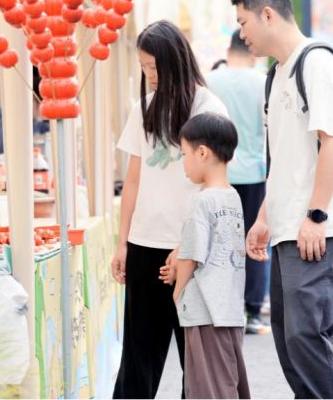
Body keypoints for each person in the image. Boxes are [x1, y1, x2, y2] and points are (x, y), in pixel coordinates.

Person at [233, 0, 333, 398]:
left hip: (318, 229)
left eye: (243, 22)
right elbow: (284, 160)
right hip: (288, 229)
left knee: (307, 337)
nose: (241, 33)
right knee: (289, 340)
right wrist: (262, 218)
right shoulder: (277, 75)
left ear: (267, 13)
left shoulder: (318, 63)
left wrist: (316, 215)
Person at [110, 20, 228, 398]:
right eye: (144, 67)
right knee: (138, 359)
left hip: (193, 250)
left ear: (175, 60)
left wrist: (187, 247)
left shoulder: (208, 108)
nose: (150, 75)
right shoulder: (143, 109)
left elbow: (216, 185)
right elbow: (133, 180)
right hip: (145, 245)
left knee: (194, 360)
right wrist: (122, 242)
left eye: (155, 67)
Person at [173, 112, 250, 399]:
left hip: (204, 309)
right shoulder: (232, 196)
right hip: (229, 306)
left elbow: (192, 256)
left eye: (184, 154)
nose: (184, 163)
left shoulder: (202, 200)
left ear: (202, 152)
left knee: (207, 387)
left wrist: (178, 291)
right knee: (228, 379)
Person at [206, 29, 269, 335]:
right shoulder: (262, 81)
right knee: (254, 240)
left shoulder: (211, 80)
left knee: (220, 240)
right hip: (255, 172)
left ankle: (224, 304)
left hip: (220, 173)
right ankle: (253, 309)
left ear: (228, 49)